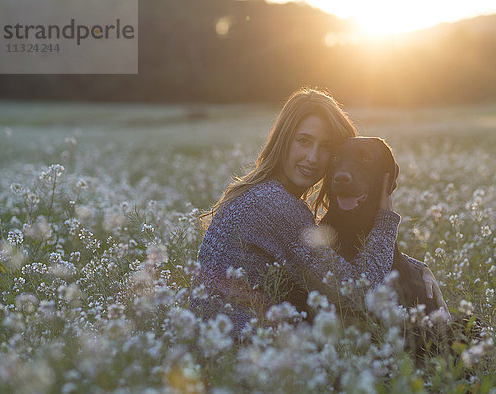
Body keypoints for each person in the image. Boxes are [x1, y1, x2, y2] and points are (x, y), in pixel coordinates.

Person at [190, 87, 448, 338]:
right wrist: (386, 220)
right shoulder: (273, 205)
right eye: (303, 141)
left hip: (227, 347)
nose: (313, 157)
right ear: (282, 141)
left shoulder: (263, 194)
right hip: (245, 354)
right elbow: (360, 292)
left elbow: (330, 268)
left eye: (326, 147)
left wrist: (419, 269)